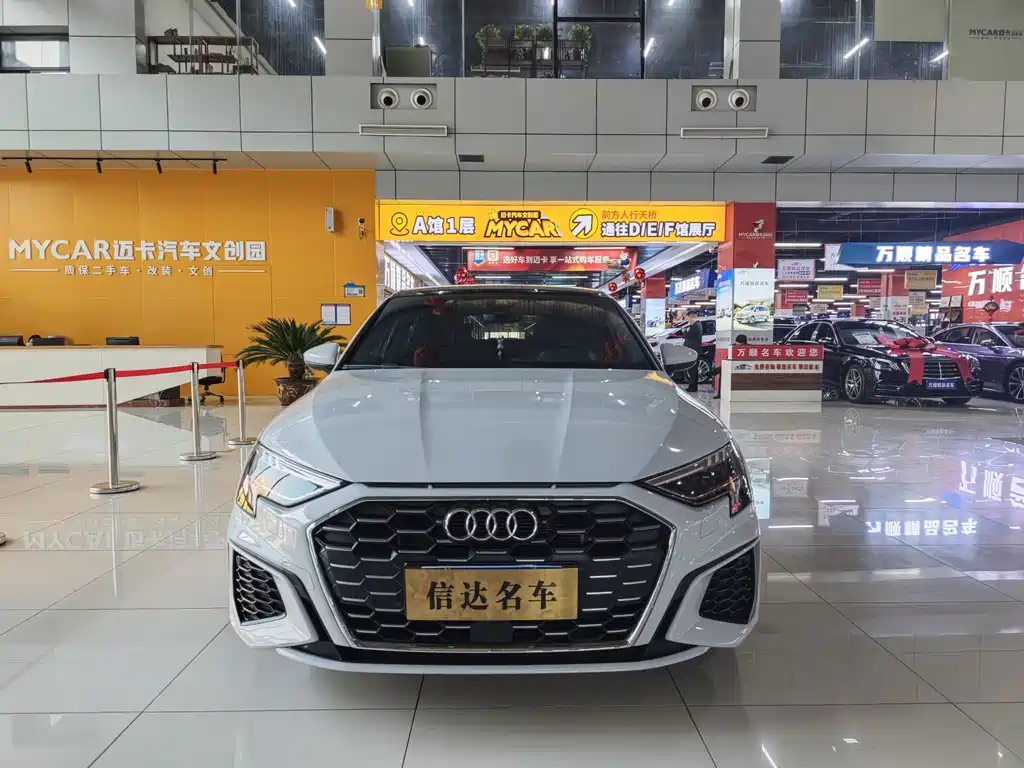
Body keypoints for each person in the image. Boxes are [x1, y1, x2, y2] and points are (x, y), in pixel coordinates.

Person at [682, 311, 703, 392]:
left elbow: (688, 335)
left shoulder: (696, 326)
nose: (688, 321)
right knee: (692, 369)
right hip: (693, 350)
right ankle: (692, 385)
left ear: (691, 317)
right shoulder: (696, 325)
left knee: (693, 369)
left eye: (688, 319)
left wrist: (684, 331)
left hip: (693, 351)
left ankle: (693, 387)